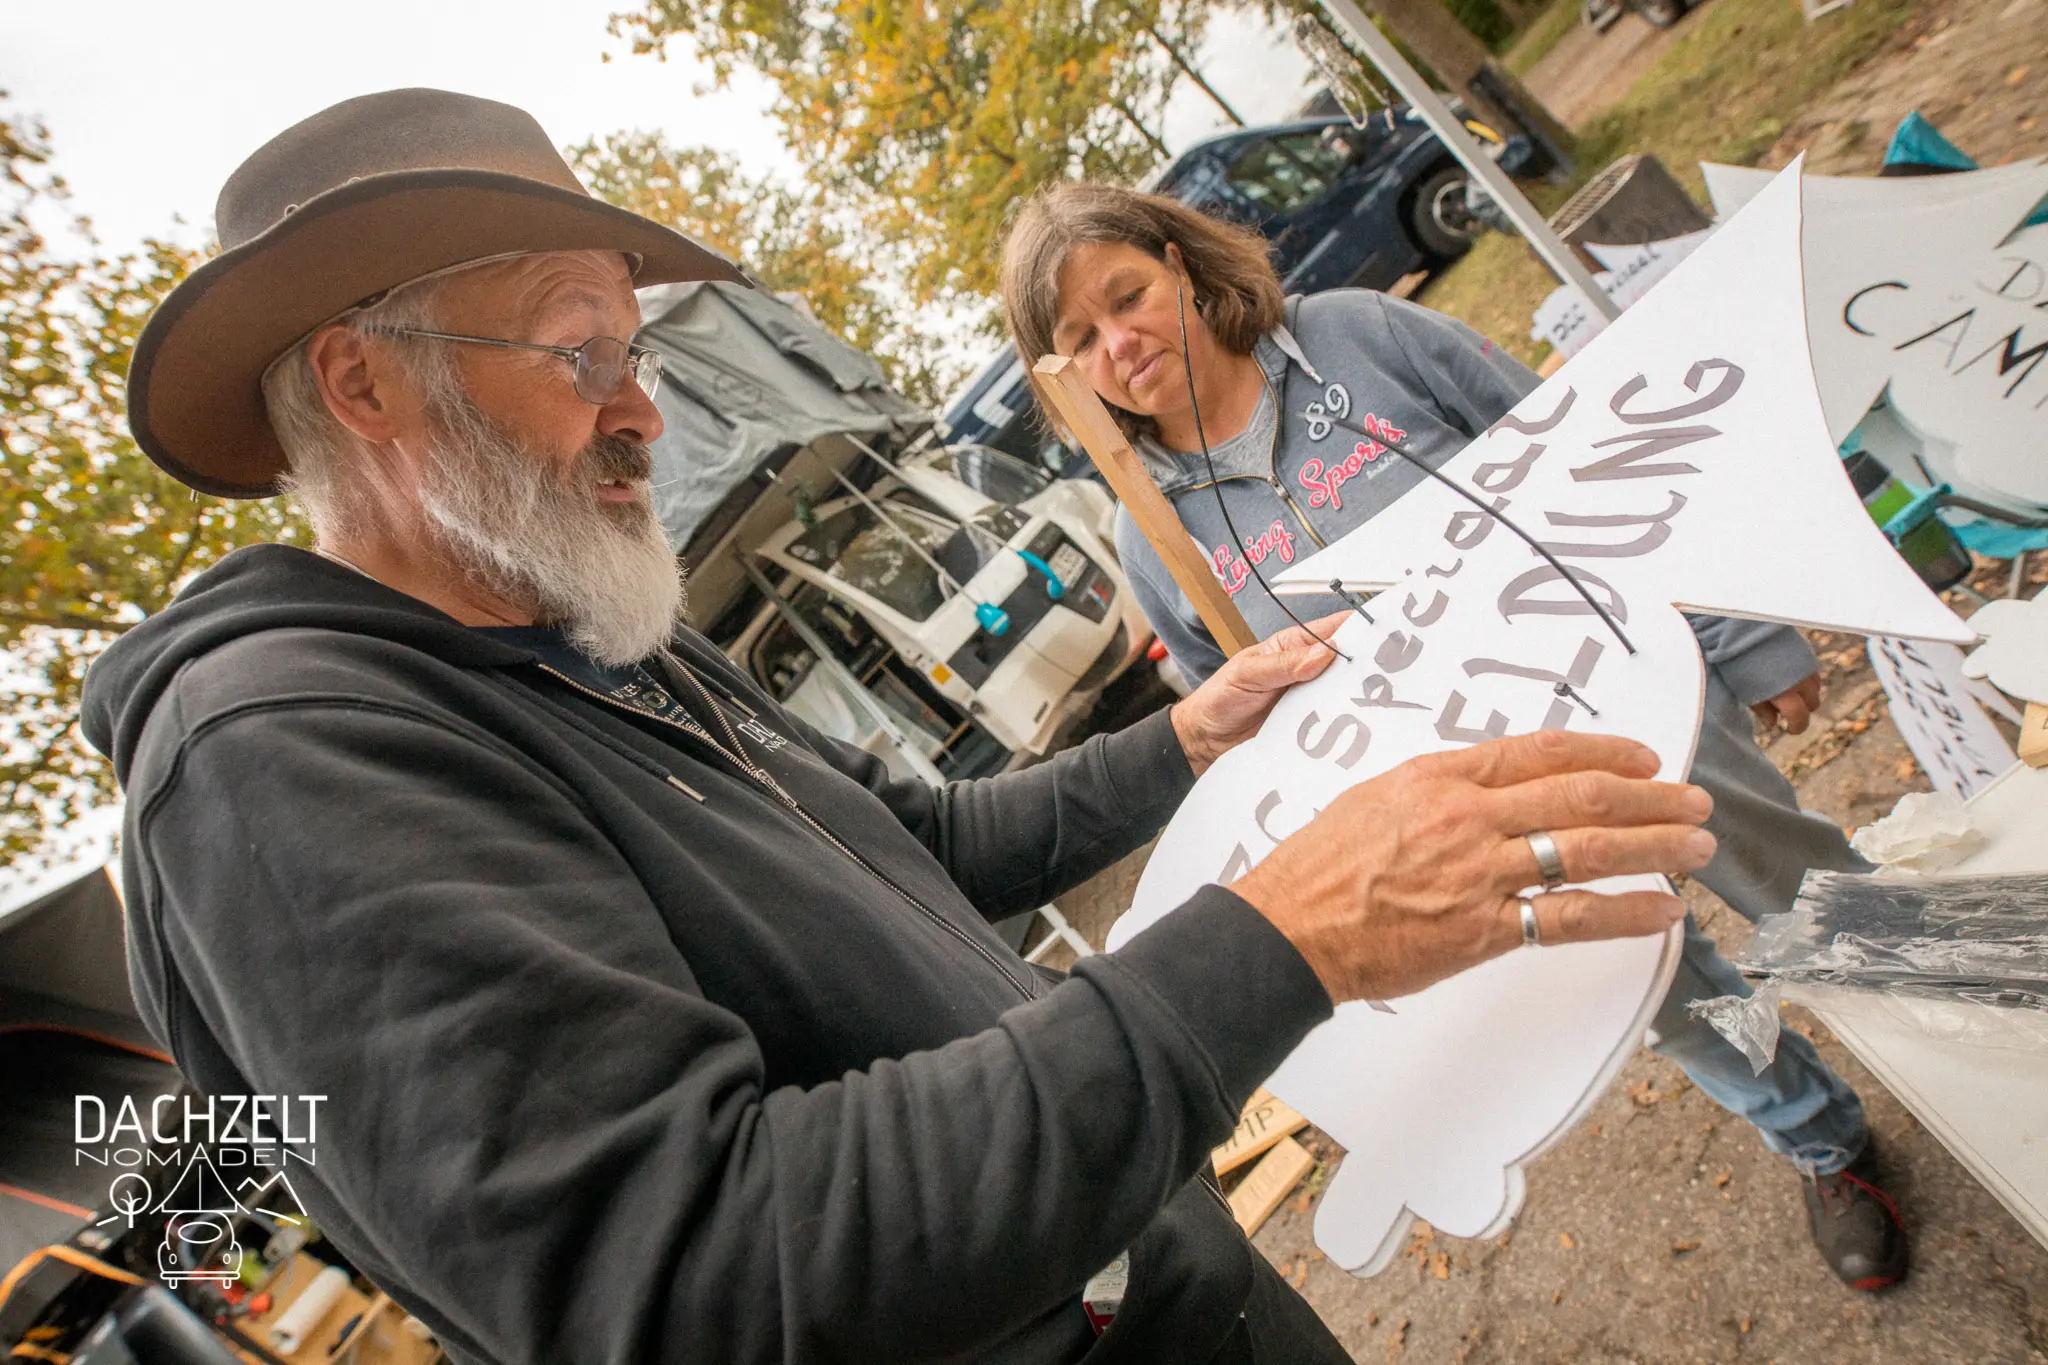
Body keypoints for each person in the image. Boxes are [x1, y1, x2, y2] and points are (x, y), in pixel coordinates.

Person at [78, 90, 1717, 1363]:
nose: (644, 408)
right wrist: (1284, 940)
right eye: (582, 352)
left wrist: (1186, 738)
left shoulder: (591, 633)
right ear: (363, 385)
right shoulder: (275, 761)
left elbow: (916, 843)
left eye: (635, 352)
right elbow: (693, 1277)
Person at [1000, 180, 1911, 1293]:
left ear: (1180, 264)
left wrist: (1741, 633)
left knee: (1805, 890)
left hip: (1630, 695)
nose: (1119, 342)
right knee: (1664, 990)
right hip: (1490, 810)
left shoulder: (1360, 338)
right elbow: (1254, 736)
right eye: (1079, 338)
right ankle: (1823, 1141)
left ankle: (1968, 1021)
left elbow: (1607, 457)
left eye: (1127, 295)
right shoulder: (1156, 541)